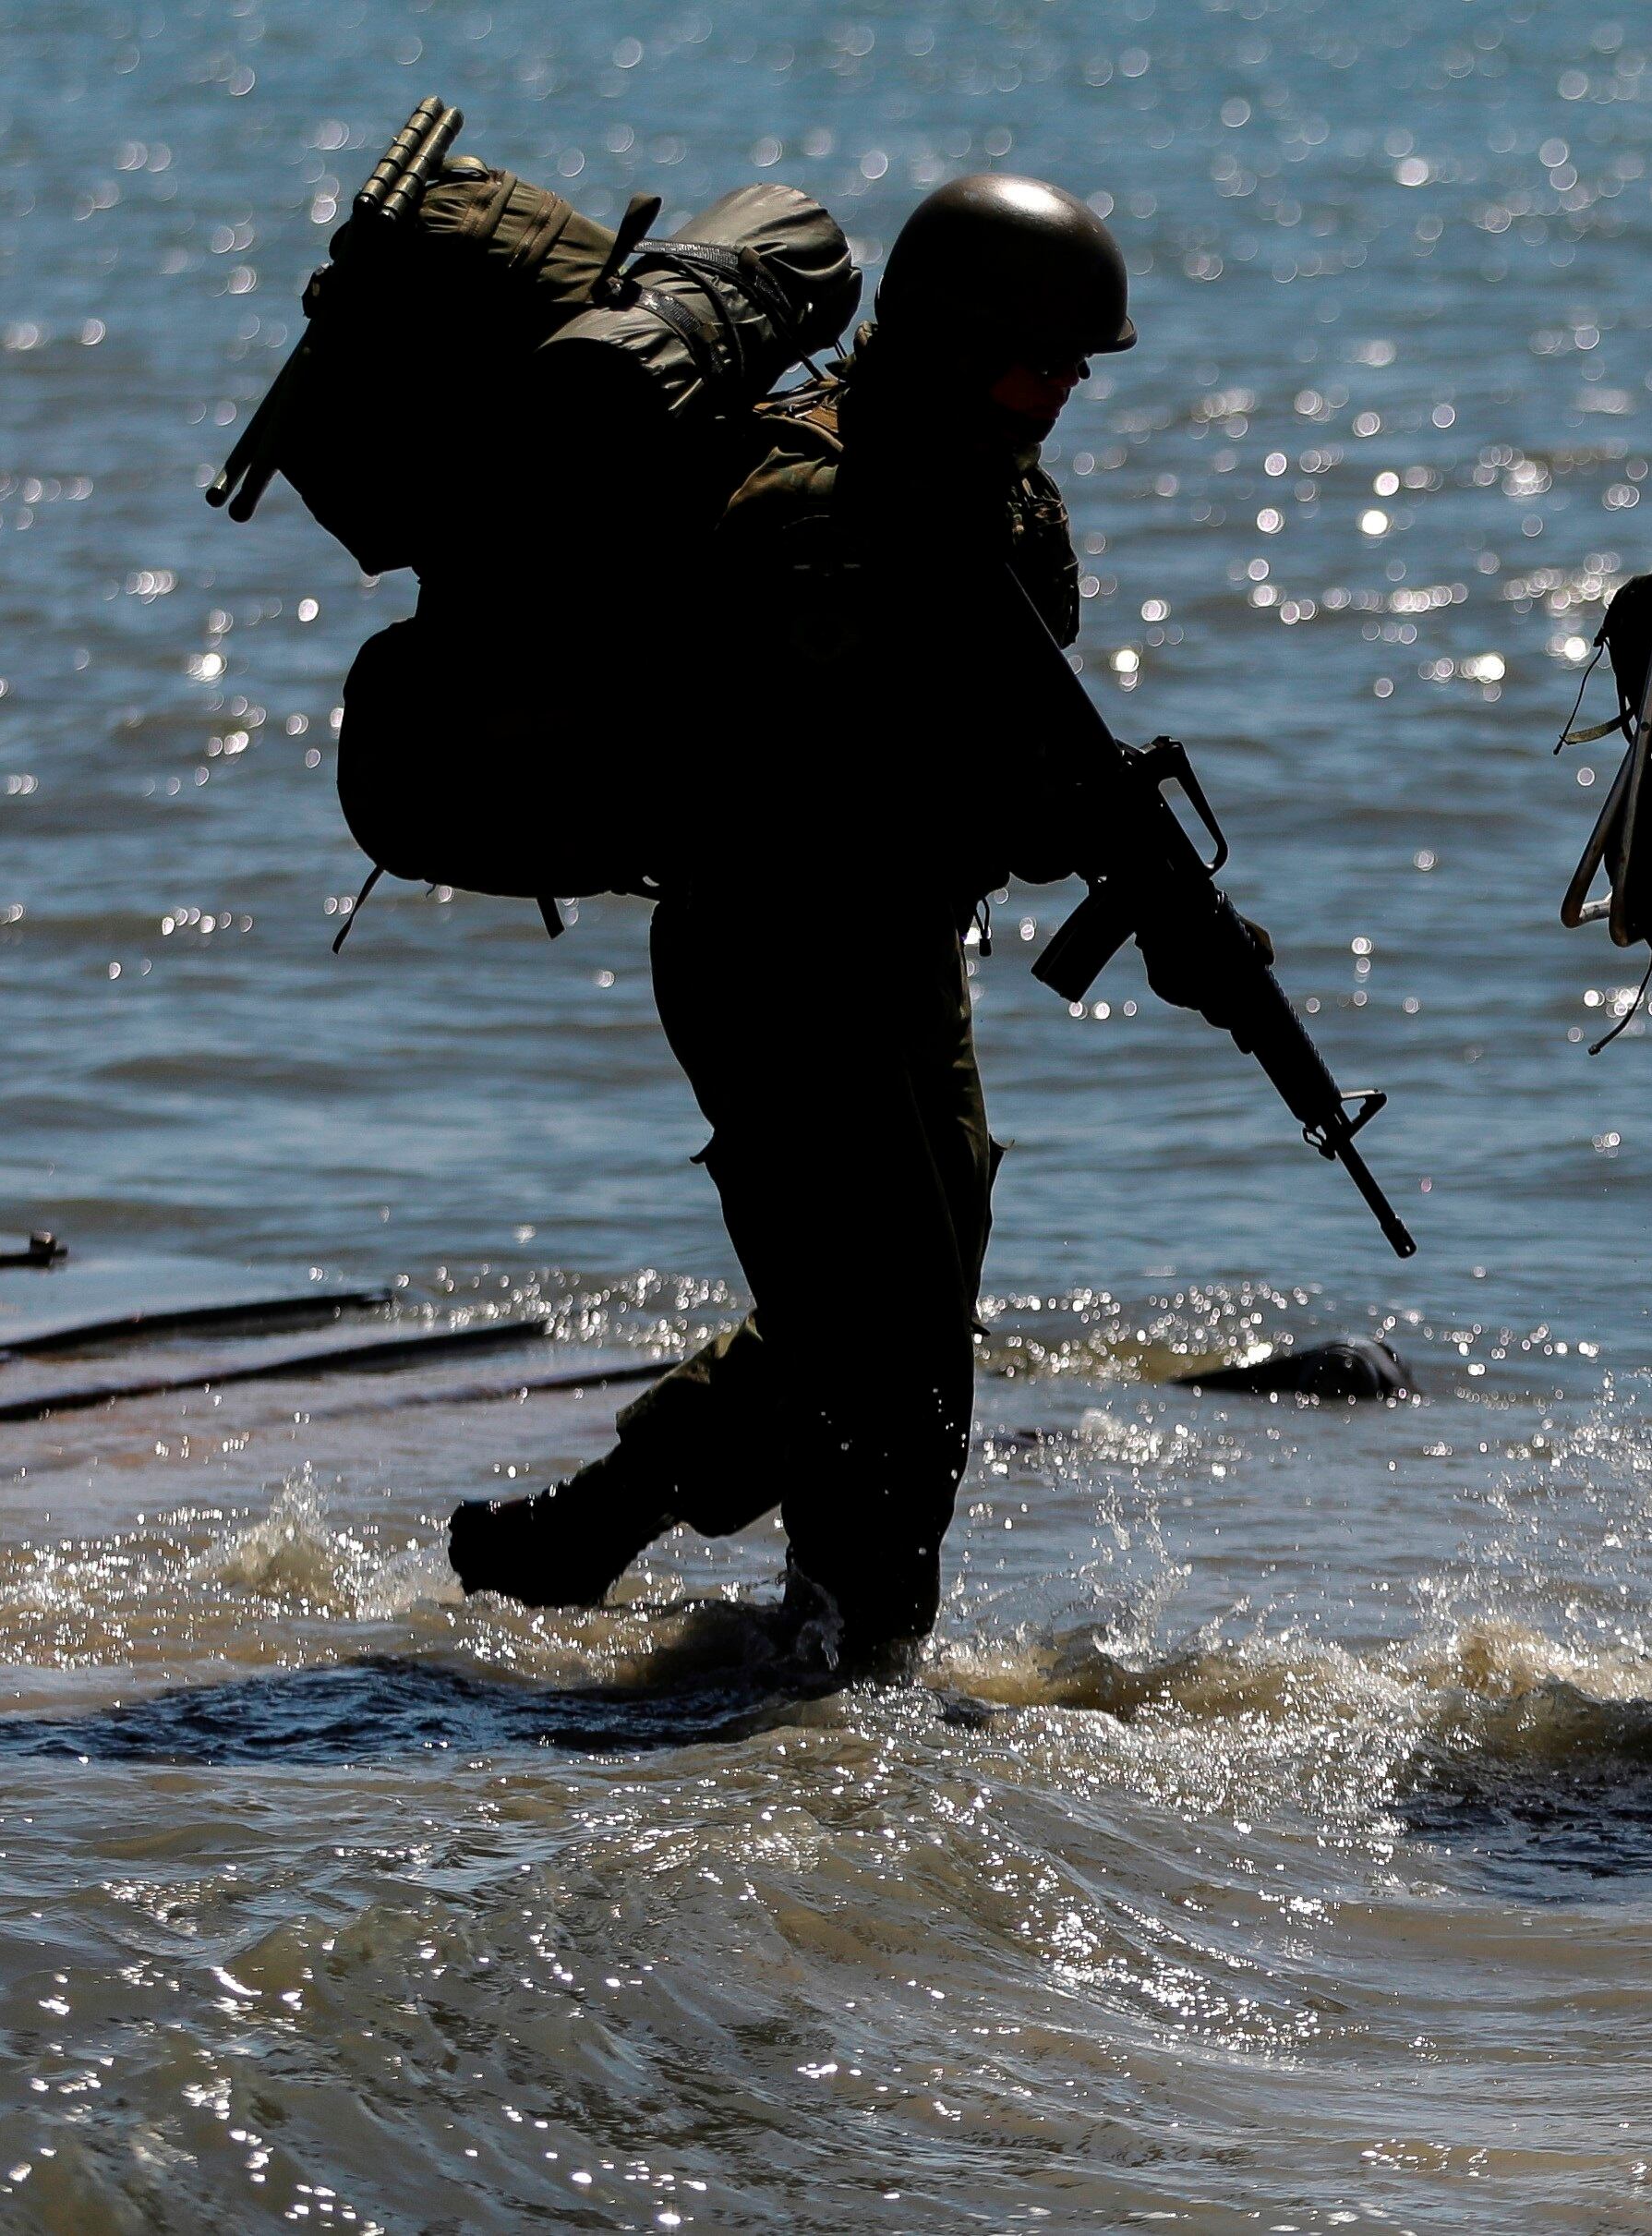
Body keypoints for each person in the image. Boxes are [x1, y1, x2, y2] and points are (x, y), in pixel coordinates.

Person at [447, 175, 1229, 1674]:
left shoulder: (986, 481)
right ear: (946, 340)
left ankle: (599, 1526)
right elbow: (847, 787)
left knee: (885, 1302)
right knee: (898, 1351)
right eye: (1036, 361)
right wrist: (1080, 836)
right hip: (776, 963)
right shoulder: (823, 514)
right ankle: (853, 1656)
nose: (1061, 391)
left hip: (894, 954)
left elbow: (1000, 748)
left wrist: (1143, 875)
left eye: (1076, 366)